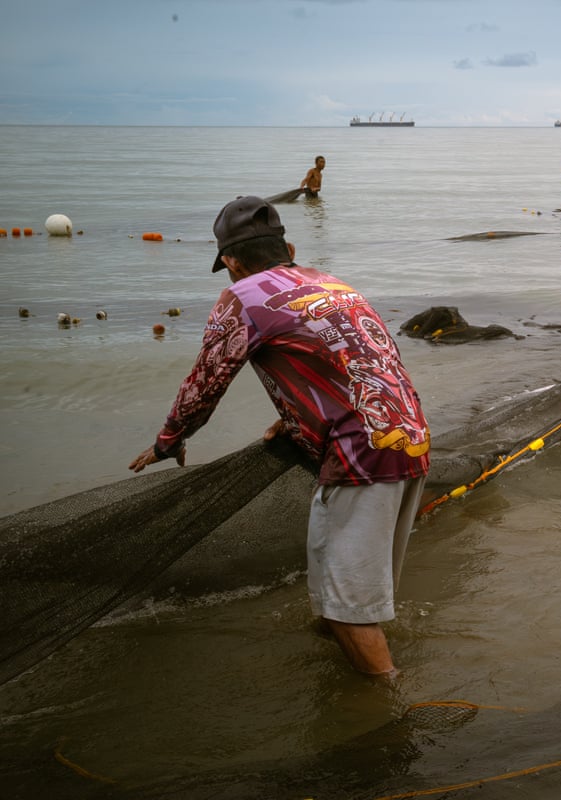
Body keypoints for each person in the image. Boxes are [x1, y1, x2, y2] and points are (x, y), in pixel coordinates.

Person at [129, 196, 431, 678]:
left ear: (229, 262)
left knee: (345, 607)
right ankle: (351, 670)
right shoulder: (333, 284)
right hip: (409, 435)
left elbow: (207, 380)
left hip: (359, 454)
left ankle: (386, 713)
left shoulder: (243, 295)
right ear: (287, 246)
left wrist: (170, 439)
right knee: (354, 592)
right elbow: (363, 362)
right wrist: (300, 416)